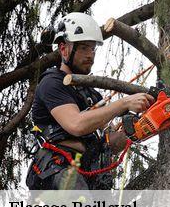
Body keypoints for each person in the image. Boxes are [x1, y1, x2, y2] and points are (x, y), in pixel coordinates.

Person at [26, 12, 154, 190]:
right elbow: (76, 124)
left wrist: (142, 127)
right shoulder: (52, 83)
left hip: (89, 174)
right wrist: (123, 103)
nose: (90, 55)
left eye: (93, 48)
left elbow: (110, 143)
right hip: (58, 169)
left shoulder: (91, 95)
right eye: (84, 48)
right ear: (64, 49)